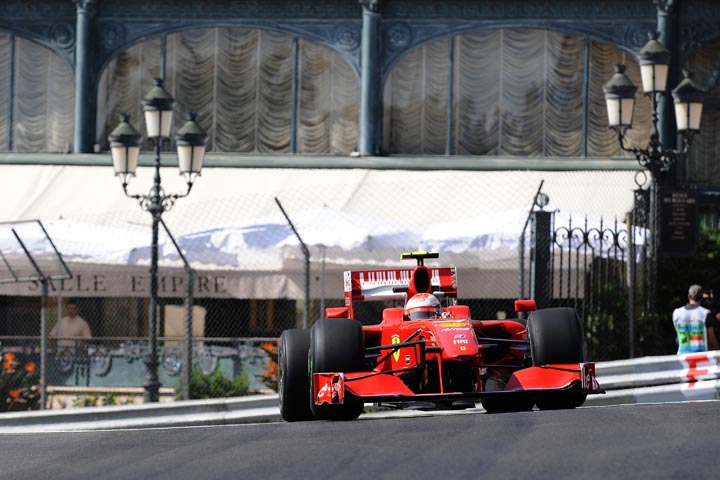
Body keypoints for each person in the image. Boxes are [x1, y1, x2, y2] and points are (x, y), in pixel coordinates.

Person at [671, 285, 719, 354]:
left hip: (682, 356)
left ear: (689, 296)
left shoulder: (676, 313)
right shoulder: (706, 313)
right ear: (701, 298)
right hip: (701, 356)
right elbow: (711, 339)